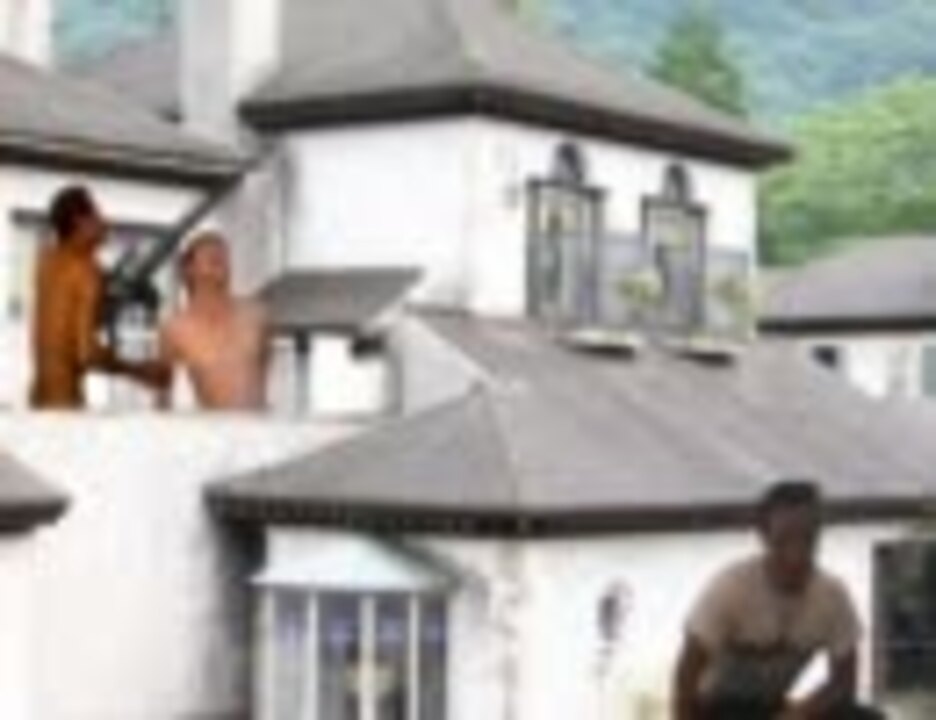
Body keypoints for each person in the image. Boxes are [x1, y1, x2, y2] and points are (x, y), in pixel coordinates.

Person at [673, 481, 885, 720]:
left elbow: (843, 683)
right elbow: (686, 674)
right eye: (784, 540)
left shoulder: (832, 596)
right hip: (717, 707)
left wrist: (797, 714)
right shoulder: (731, 588)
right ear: (764, 536)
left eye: (808, 539)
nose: (796, 554)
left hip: (774, 706)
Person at [29, 186, 162, 409]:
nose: (105, 223)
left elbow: (62, 321)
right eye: (98, 216)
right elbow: (87, 354)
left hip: (37, 400)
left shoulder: (45, 261)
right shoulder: (87, 272)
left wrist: (110, 294)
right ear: (80, 221)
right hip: (64, 405)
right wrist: (139, 371)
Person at [157, 231, 270, 410]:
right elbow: (162, 397)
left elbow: (264, 375)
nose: (219, 256)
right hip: (216, 422)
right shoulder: (175, 329)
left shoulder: (256, 316)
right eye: (210, 255)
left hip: (260, 421)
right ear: (189, 269)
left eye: (224, 256)